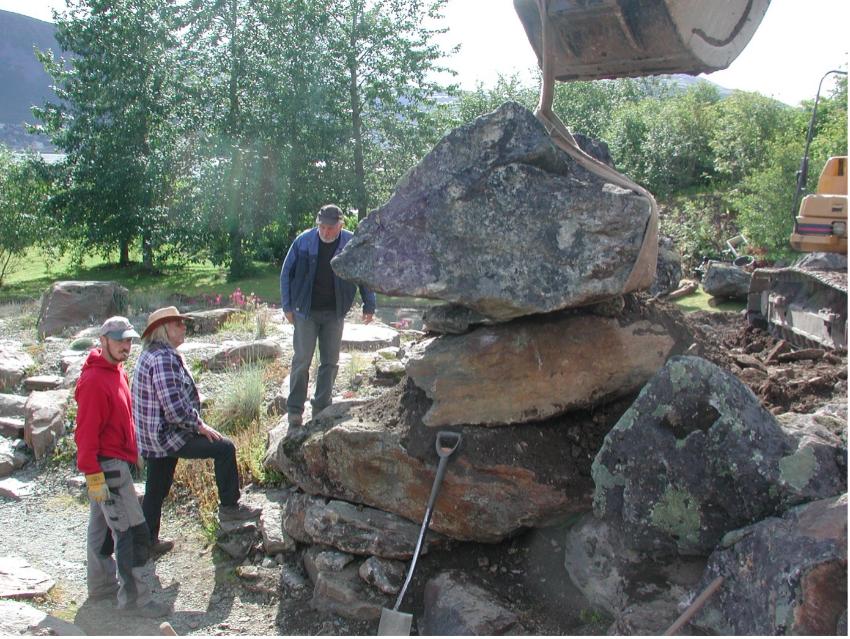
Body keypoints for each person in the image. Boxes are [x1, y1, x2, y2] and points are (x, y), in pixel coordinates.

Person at [131, 306, 260, 553]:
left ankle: (146, 542)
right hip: (167, 436)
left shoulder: (151, 353)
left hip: (151, 436)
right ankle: (231, 508)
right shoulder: (164, 358)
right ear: (164, 330)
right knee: (224, 448)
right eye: (178, 323)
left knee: (156, 488)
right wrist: (199, 425)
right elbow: (174, 409)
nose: (183, 327)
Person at [74, 316, 170, 618]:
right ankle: (136, 600)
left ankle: (101, 587)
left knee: (102, 529)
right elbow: (85, 434)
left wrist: (134, 453)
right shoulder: (93, 382)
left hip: (115, 463)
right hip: (106, 467)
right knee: (132, 531)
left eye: (129, 340)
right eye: (119, 340)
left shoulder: (116, 372)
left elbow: (123, 421)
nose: (125, 346)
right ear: (103, 341)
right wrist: (93, 475)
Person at [280, 204, 377, 426]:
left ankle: (321, 408)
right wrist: (287, 306)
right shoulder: (303, 241)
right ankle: (295, 410)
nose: (325, 232)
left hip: (335, 312)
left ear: (340, 226)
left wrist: (369, 305)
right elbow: (287, 273)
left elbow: (363, 273)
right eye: (321, 227)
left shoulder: (350, 243)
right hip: (306, 311)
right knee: (302, 360)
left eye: (330, 228)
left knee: (330, 362)